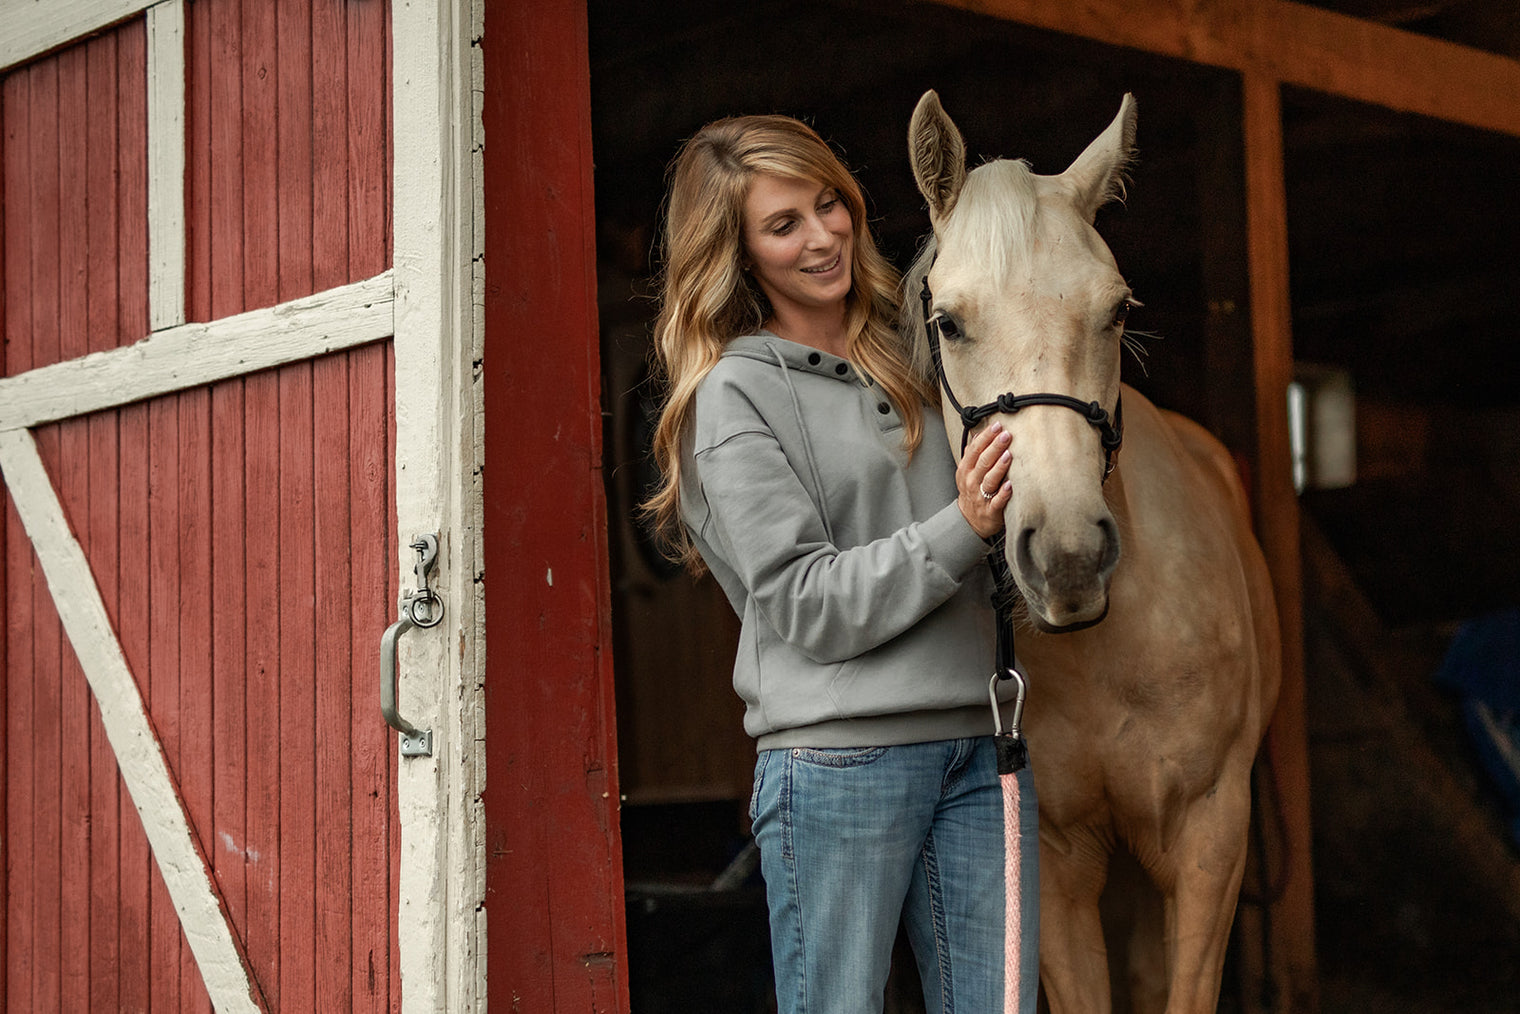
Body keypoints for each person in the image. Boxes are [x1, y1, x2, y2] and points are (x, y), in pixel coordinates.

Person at [643, 113, 1040, 1014]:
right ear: (737, 255)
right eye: (784, 225)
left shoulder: (922, 350)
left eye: (830, 204)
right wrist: (965, 523)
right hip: (838, 766)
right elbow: (809, 603)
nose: (823, 236)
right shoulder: (733, 395)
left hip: (983, 748)